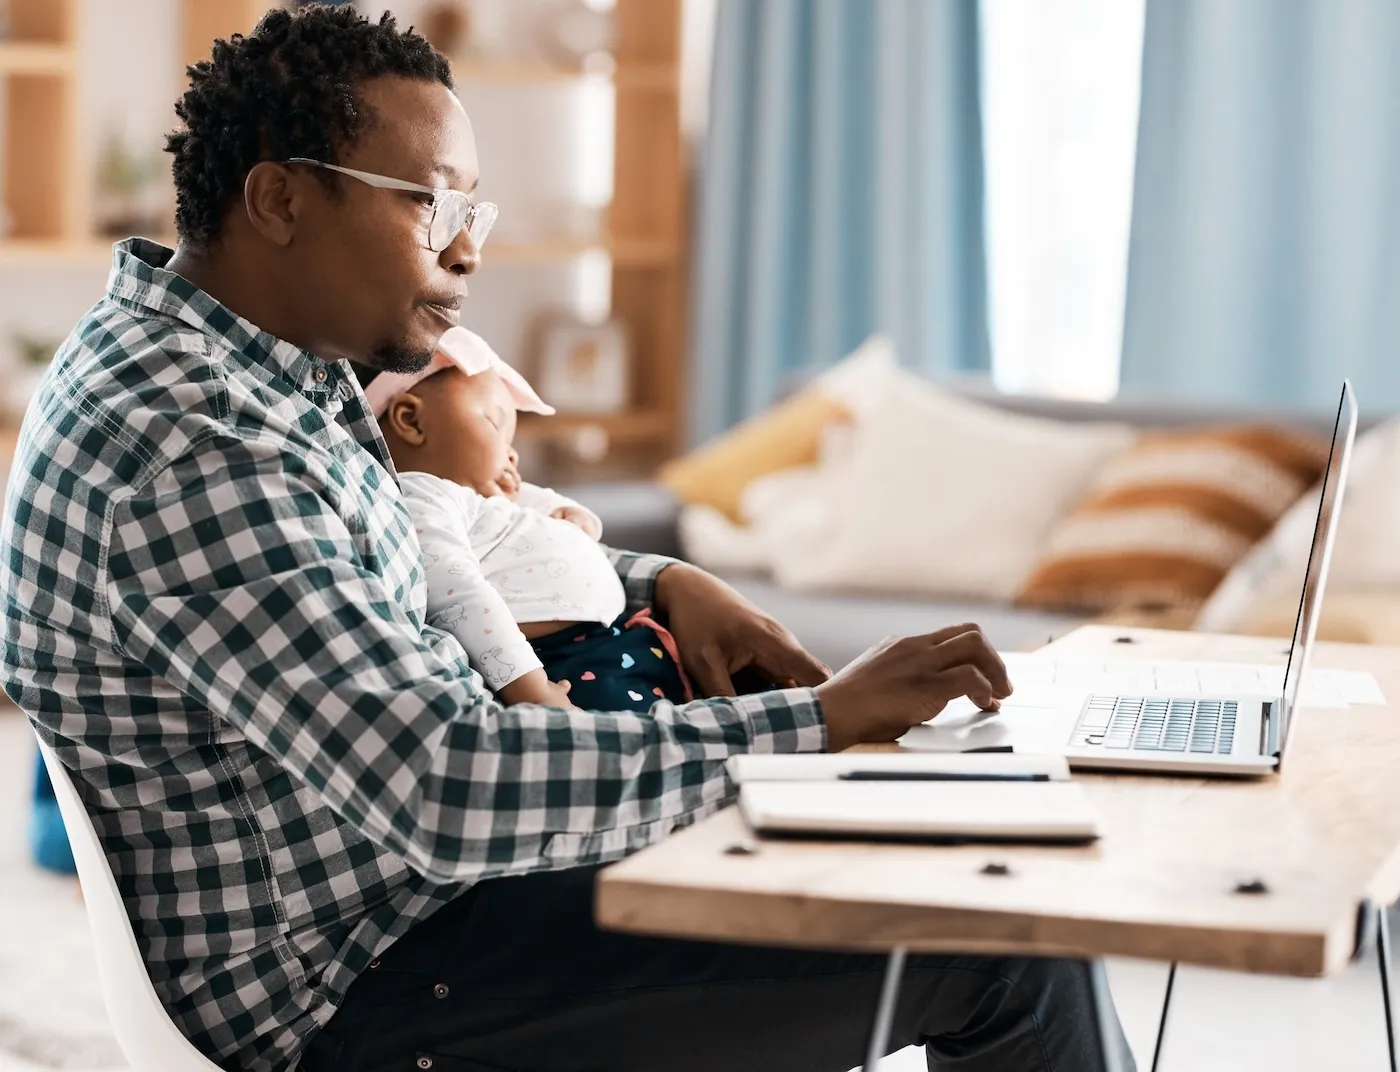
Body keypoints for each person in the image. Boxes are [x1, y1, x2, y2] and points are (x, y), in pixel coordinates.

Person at [0, 8, 1133, 1072]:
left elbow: (415, 553)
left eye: (470, 213)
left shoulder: (255, 370)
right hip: (379, 984)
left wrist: (658, 577)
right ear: (280, 199)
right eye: (429, 204)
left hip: (421, 906)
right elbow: (447, 782)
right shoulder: (188, 445)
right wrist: (819, 720)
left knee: (942, 853)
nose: (467, 251)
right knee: (1005, 940)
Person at [362, 324, 693, 712]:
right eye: (495, 424)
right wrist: (529, 688)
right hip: (557, 666)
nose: (512, 454)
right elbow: (461, 597)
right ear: (412, 421)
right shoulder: (423, 497)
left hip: (614, 641)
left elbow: (548, 505)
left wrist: (570, 516)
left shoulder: (481, 498)